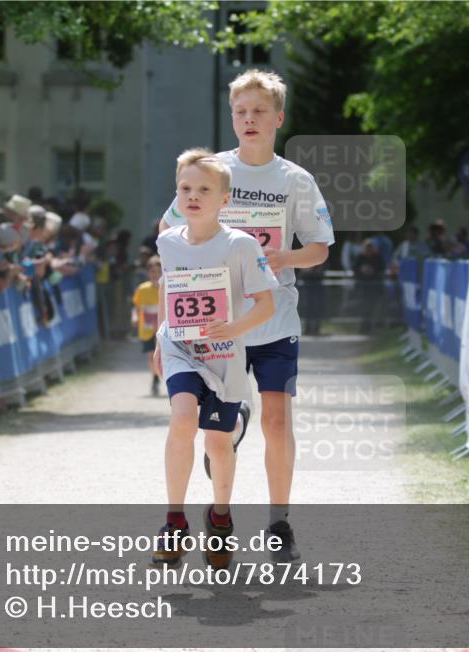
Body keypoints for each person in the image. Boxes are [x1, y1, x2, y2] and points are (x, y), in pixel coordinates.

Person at [159, 70, 334, 561]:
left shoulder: (295, 180)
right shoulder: (213, 172)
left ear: (278, 118)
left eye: (260, 111)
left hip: (273, 316)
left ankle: (279, 521)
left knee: (277, 423)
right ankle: (229, 431)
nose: (250, 119)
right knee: (214, 429)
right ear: (232, 117)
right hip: (216, 328)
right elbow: (168, 230)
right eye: (241, 111)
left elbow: (319, 249)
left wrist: (282, 260)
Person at [152, 148, 277, 569]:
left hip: (224, 353)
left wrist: (234, 330)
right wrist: (158, 338)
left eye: (204, 189)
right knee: (183, 418)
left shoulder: (240, 245)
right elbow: (168, 291)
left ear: (224, 200)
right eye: (185, 188)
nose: (193, 195)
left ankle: (219, 516)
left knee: (218, 442)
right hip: (180, 347)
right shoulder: (167, 241)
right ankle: (174, 521)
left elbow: (265, 305)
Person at [132, 255, 163, 396]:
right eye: (152, 272)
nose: (155, 275)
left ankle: (167, 379)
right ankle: (155, 378)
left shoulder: (169, 287)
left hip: (164, 328)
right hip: (148, 329)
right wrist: (134, 317)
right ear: (148, 273)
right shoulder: (142, 289)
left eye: (158, 271)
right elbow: (136, 306)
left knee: (165, 356)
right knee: (152, 357)